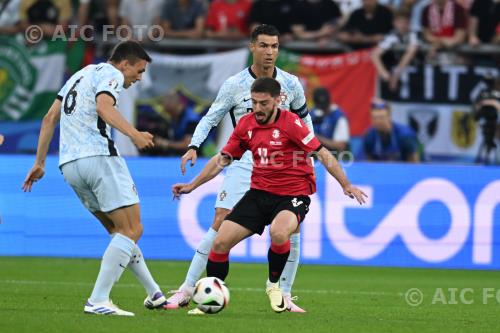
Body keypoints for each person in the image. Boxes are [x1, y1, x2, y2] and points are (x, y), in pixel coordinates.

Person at [172, 77, 367, 313]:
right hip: (259, 193)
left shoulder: (292, 123)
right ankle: (212, 298)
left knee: (279, 232)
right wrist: (192, 185)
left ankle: (274, 285)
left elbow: (322, 153)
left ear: (278, 100)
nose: (258, 109)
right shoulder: (245, 124)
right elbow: (222, 159)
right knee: (220, 242)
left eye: (263, 103)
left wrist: (345, 184)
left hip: (293, 193)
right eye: (254, 102)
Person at [166, 24, 315, 313]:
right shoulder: (235, 84)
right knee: (221, 220)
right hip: (245, 160)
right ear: (252, 47)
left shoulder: (292, 84)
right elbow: (211, 118)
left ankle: (284, 295)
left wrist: (308, 154)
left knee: (290, 231)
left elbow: (304, 120)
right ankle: (187, 289)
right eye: (263, 46)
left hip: (284, 164)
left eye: (274, 46)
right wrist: (194, 146)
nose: (269, 52)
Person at [22, 41, 167, 316]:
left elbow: (49, 118)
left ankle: (154, 293)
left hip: (69, 165)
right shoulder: (111, 74)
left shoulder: (79, 75)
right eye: (139, 70)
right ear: (124, 63)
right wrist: (133, 134)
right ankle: (98, 300)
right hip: (98, 158)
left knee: (119, 232)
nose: (139, 77)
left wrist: (40, 162)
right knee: (132, 229)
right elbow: (103, 107)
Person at [370, 9, 419, 91]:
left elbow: (413, 50)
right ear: (394, 23)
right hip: (396, 72)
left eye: (405, 22)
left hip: (415, 70)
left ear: (409, 23)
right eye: (400, 22)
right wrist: (384, 74)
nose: (402, 25)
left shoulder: (413, 34)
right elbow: (374, 54)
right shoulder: (391, 36)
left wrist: (396, 75)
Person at [150, 92, 201, 156]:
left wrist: (164, 143)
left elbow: (188, 145)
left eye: (169, 112)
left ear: (174, 105)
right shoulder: (175, 117)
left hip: (204, 157)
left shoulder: (192, 119)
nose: (169, 115)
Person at [310, 87, 350, 152]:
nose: (322, 109)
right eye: (320, 106)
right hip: (315, 155)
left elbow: (341, 146)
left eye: (324, 106)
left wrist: (316, 138)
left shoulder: (339, 117)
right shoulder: (312, 114)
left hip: (335, 155)